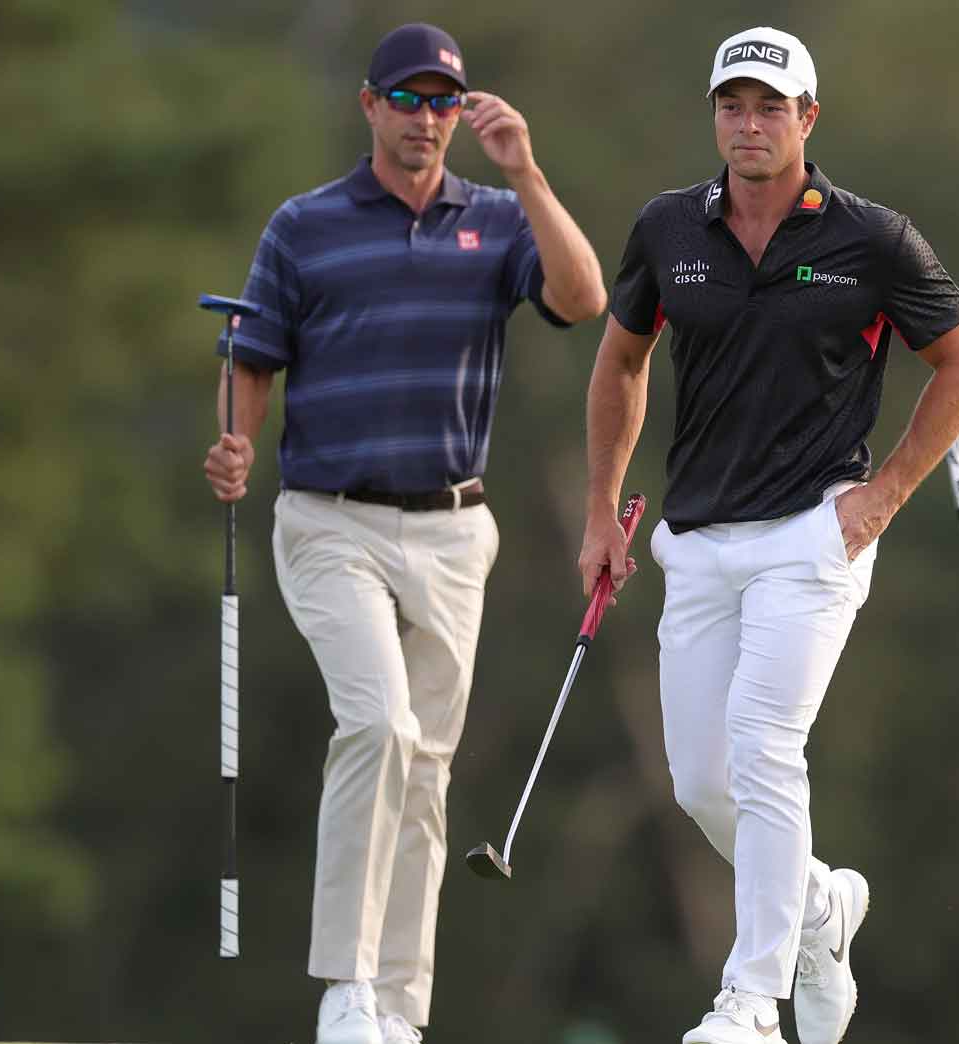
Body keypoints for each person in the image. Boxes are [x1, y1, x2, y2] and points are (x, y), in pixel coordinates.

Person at [579, 26, 959, 1044]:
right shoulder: (668, 226)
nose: (749, 123)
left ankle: (749, 1001)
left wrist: (887, 492)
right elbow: (620, 362)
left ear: (808, 119)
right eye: (733, 105)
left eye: (771, 106)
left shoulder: (872, 239)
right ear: (714, 114)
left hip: (815, 535)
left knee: (764, 750)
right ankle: (816, 908)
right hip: (698, 537)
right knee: (699, 782)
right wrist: (601, 506)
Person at [200, 22, 606, 1044]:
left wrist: (529, 171)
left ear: (458, 115)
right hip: (329, 520)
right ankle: (343, 988)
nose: (425, 120)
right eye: (407, 100)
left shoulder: (501, 218)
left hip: (454, 532)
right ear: (369, 107)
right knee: (378, 726)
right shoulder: (305, 225)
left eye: (442, 103)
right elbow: (252, 357)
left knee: (426, 772)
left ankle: (397, 1009)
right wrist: (235, 445)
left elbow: (582, 296)